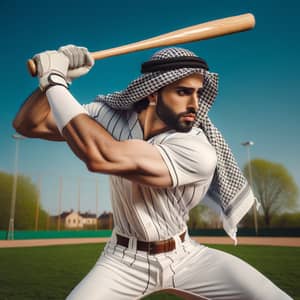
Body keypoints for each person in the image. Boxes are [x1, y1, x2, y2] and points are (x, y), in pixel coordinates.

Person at [13, 45, 292, 300]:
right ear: (153, 92)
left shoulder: (198, 149)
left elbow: (101, 156)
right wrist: (52, 83)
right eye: (183, 92)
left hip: (185, 256)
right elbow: (28, 124)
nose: (195, 103)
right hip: (122, 260)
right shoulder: (109, 117)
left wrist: (54, 81)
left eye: (197, 92)